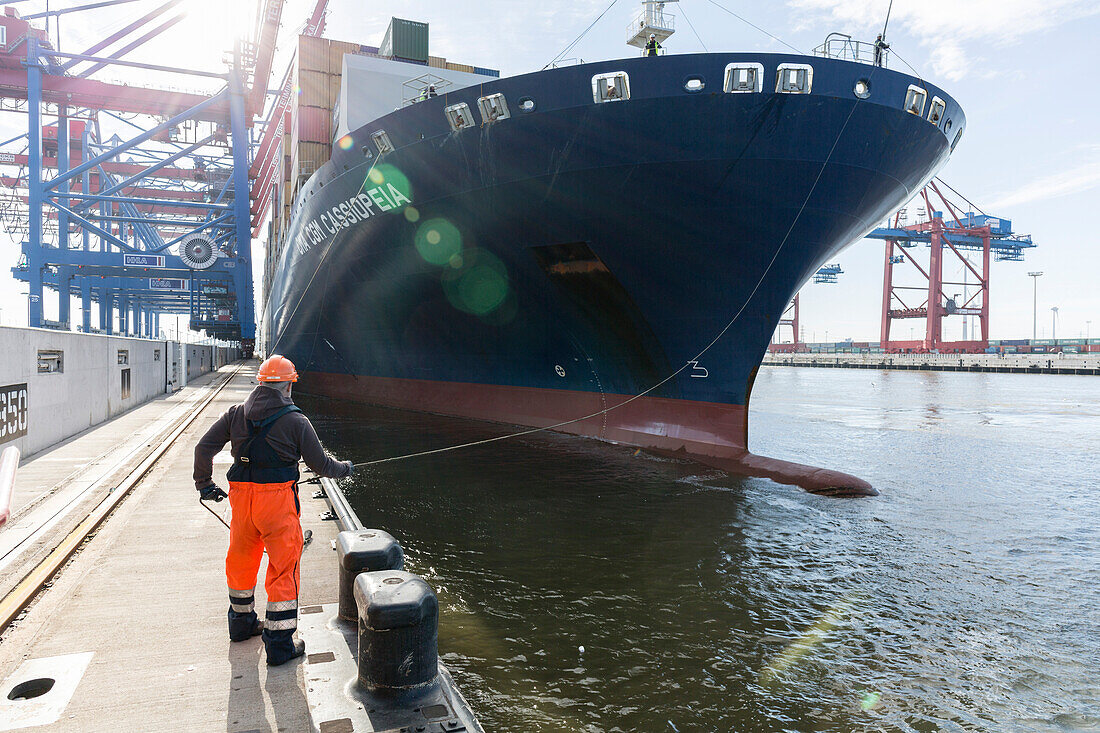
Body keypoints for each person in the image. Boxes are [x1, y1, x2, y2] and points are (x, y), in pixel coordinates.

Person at [194, 354, 354, 666]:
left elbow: (203, 448)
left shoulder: (236, 414)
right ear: (288, 387)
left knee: (241, 561)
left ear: (261, 384)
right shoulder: (296, 421)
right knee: (283, 569)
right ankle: (280, 646)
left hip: (241, 502)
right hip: (277, 504)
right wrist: (346, 467)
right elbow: (320, 465)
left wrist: (204, 484)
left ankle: (241, 626)